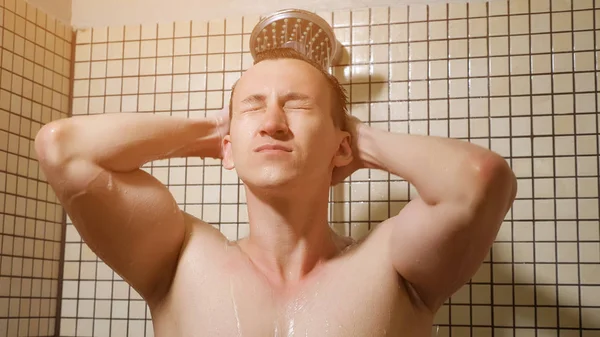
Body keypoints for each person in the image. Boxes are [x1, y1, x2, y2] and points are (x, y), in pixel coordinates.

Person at [35, 48, 517, 337]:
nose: (270, 124)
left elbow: (479, 178)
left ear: (342, 145)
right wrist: (215, 134)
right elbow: (64, 151)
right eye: (252, 108)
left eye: (298, 105)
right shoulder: (178, 259)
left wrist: (352, 140)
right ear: (227, 146)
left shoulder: (391, 266)